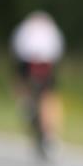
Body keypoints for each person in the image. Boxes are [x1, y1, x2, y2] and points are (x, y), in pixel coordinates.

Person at [10, 10, 65, 157]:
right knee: (49, 97)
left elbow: (16, 51)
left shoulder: (27, 28)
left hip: (32, 62)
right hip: (40, 62)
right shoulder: (47, 28)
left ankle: (27, 108)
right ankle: (48, 133)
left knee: (43, 96)